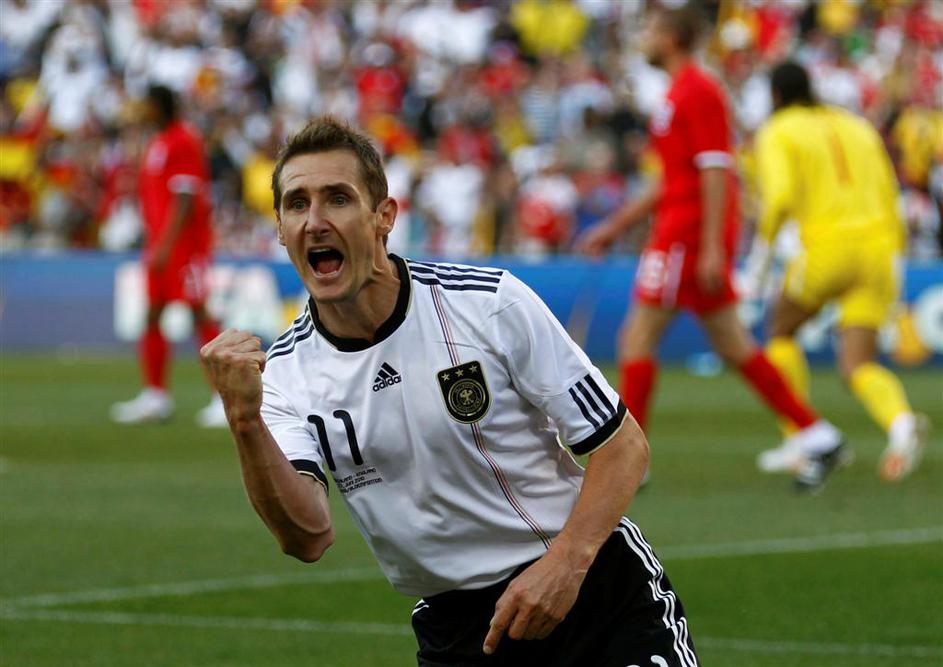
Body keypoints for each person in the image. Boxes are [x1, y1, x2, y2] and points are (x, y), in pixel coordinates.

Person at [200, 116, 700, 666]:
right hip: (459, 633)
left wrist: (565, 564)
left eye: (337, 199)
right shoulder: (284, 376)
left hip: (594, 596)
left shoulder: (487, 304)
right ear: (279, 228)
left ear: (384, 216)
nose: (315, 221)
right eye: (297, 204)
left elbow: (622, 445)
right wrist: (244, 420)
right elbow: (307, 536)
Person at [576, 8, 845, 492]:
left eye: (651, 30)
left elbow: (717, 169)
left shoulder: (698, 90)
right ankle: (817, 434)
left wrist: (714, 248)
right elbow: (675, 177)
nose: (644, 38)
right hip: (684, 231)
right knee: (732, 342)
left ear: (672, 38)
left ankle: (629, 460)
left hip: (686, 235)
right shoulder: (679, 92)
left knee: (637, 338)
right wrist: (615, 226)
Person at [744, 61, 930, 481]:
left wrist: (759, 259)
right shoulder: (857, 125)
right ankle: (901, 424)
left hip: (827, 247)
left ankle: (802, 438)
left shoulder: (778, 130)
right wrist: (896, 255)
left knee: (781, 330)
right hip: (879, 249)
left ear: (775, 96)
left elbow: (780, 197)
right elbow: (890, 190)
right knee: (858, 363)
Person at [111, 85, 224, 427]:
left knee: (200, 313)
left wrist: (165, 245)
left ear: (159, 107)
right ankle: (155, 396)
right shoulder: (157, 142)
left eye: (146, 105)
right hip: (160, 245)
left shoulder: (183, 140)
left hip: (184, 247)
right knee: (152, 314)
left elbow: (186, 198)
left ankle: (223, 398)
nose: (141, 112)